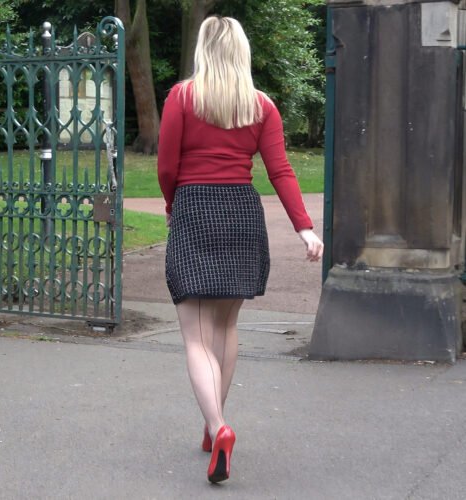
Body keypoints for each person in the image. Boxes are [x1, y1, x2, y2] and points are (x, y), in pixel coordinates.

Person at [157, 16, 323, 484]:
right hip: (240, 213)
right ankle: (214, 428)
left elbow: (167, 165)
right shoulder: (262, 105)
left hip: (195, 208)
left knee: (195, 334)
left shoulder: (182, 97)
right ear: (243, 52)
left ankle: (218, 425)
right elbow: (281, 170)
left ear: (203, 50)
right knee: (226, 326)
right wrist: (305, 228)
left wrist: (172, 205)